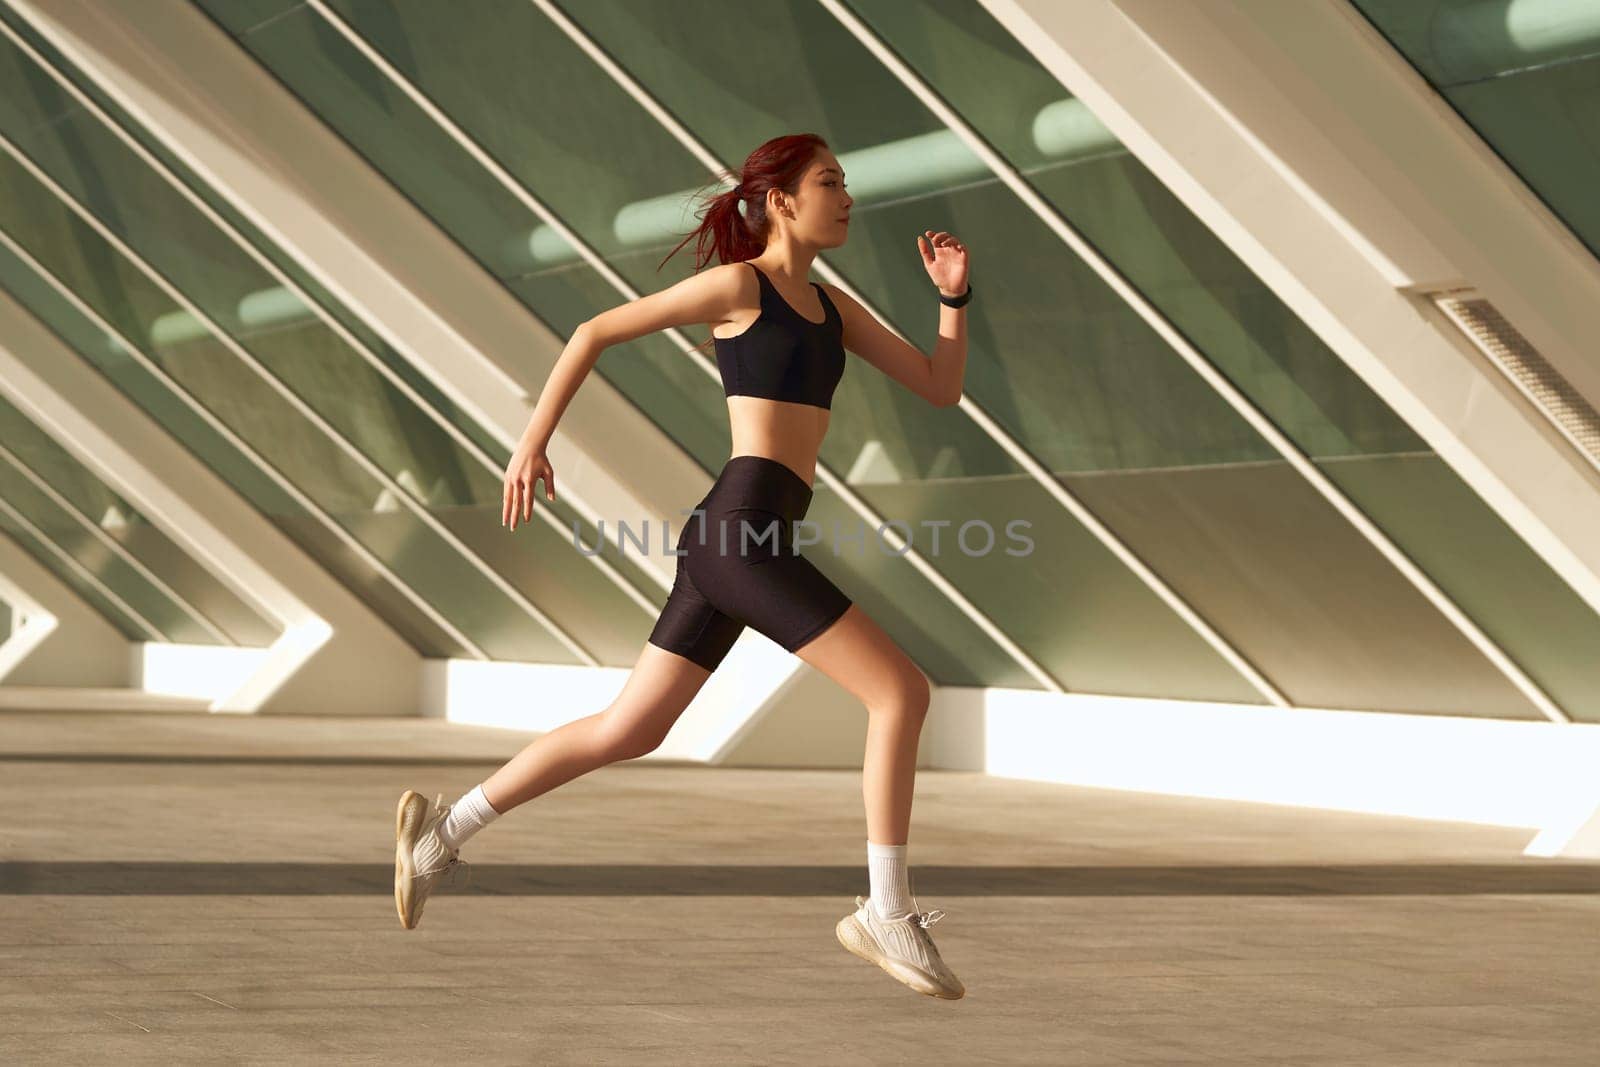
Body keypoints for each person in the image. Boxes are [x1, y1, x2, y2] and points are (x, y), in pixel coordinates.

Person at [393, 133, 972, 1000]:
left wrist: (954, 301)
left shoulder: (834, 309)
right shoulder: (741, 286)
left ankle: (440, 835)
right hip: (740, 531)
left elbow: (938, 386)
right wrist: (530, 445)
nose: (845, 196)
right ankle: (885, 909)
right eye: (828, 182)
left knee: (632, 728)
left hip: (743, 535)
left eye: (844, 183)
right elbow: (595, 330)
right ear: (780, 200)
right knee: (901, 692)